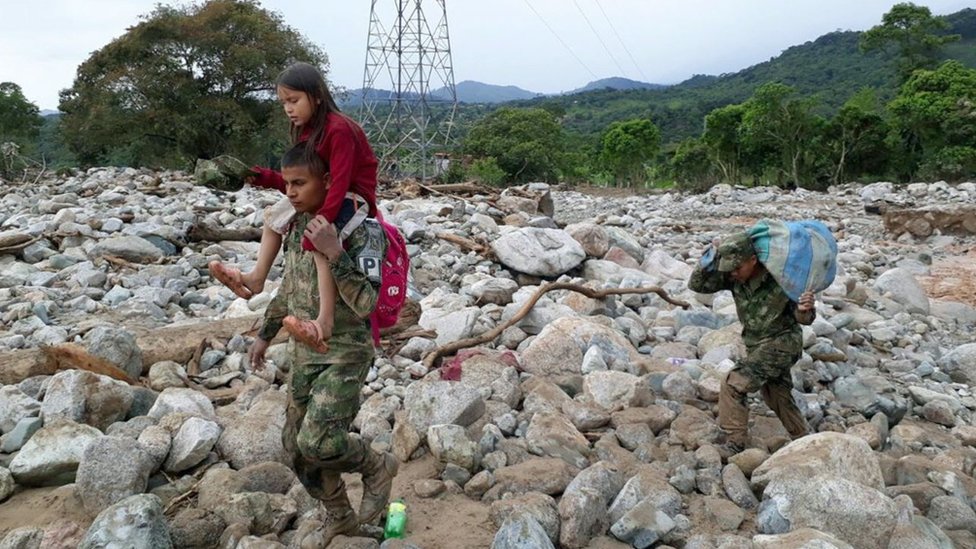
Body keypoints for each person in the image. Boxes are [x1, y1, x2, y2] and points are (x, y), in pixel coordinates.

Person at [249, 144, 396, 543]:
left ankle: (376, 464)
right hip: (306, 350)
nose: (291, 192)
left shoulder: (362, 230)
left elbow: (367, 302)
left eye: (300, 183)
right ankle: (340, 516)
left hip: (345, 351)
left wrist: (335, 254)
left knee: (319, 441)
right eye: (287, 184)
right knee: (295, 446)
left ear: (328, 182)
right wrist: (265, 334)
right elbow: (291, 287)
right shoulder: (295, 225)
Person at [209, 61, 379, 353]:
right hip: (322, 191)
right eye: (284, 102)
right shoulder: (307, 132)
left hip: (353, 195)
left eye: (294, 100)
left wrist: (322, 222)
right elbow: (300, 181)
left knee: (321, 242)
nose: (288, 108)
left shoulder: (339, 130)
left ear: (316, 96)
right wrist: (260, 176)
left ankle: (324, 322)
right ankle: (257, 278)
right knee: (274, 216)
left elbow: (339, 181)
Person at [688, 232, 815, 455]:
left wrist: (806, 309)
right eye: (730, 269)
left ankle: (734, 443)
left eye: (737, 267)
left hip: (783, 343)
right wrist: (706, 261)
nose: (734, 273)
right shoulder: (734, 277)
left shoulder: (781, 278)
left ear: (753, 260)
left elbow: (804, 319)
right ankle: (804, 440)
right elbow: (698, 285)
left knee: (735, 382)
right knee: (776, 395)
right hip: (757, 345)